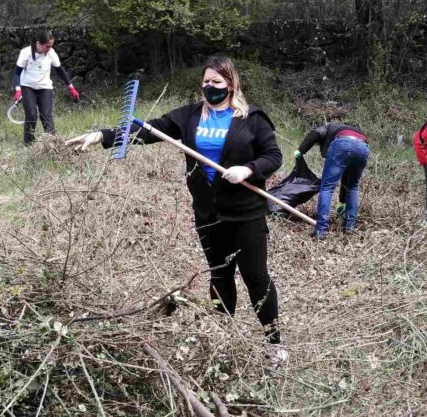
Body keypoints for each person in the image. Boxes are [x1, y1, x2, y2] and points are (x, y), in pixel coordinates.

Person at [65, 56, 289, 371]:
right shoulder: (189, 116)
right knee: (220, 276)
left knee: (256, 279)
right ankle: (221, 339)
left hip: (246, 214)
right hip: (208, 214)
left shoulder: (252, 119)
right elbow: (149, 130)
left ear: (231, 84)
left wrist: (247, 169)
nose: (209, 86)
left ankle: (273, 344)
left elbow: (273, 156)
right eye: (206, 81)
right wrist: (102, 136)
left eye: (217, 81)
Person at [294, 122, 369, 239]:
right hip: (363, 148)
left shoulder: (329, 127)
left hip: (343, 144)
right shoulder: (346, 129)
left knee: (327, 188)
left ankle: (321, 231)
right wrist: (342, 202)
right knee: (353, 187)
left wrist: (301, 150)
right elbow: (345, 177)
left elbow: (316, 133)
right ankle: (349, 227)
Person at [12, 30, 80, 145]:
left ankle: (52, 144)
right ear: (38, 43)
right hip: (27, 86)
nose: (49, 48)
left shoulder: (51, 53)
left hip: (45, 87)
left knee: (46, 115)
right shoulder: (26, 52)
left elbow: (60, 71)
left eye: (51, 46)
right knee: (32, 115)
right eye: (47, 46)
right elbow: (17, 73)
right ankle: (29, 145)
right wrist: (18, 90)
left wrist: (71, 87)